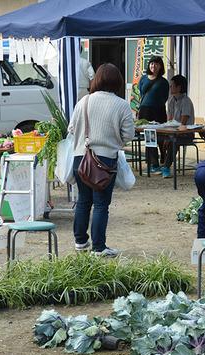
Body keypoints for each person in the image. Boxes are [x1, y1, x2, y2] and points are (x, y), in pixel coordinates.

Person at [68, 63, 135, 257]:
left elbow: (71, 129)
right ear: (118, 81)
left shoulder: (84, 101)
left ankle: (80, 241)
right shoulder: (121, 105)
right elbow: (128, 134)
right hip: (104, 161)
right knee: (100, 204)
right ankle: (99, 247)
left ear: (96, 79)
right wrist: (115, 140)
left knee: (83, 201)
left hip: (80, 157)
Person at [138, 56, 169, 174]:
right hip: (145, 111)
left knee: (160, 137)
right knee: (149, 137)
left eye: (156, 64)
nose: (153, 66)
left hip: (159, 111)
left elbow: (165, 97)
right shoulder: (143, 79)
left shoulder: (163, 82)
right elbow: (141, 92)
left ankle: (163, 159)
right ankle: (153, 163)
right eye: (151, 63)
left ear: (160, 66)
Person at [159, 74, 195, 178]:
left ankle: (166, 166)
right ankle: (157, 163)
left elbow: (183, 122)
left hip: (185, 134)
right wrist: (167, 133)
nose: (170, 88)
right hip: (173, 132)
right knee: (159, 138)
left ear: (179, 87)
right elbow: (170, 120)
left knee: (173, 141)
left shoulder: (186, 101)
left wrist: (170, 135)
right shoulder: (170, 100)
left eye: (172, 86)